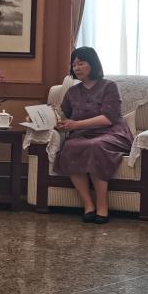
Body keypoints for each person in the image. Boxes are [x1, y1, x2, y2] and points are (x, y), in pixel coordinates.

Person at [54, 47, 134, 224]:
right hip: (82, 134)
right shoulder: (72, 92)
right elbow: (63, 115)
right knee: (70, 147)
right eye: (74, 64)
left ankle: (102, 205)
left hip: (112, 132)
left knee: (95, 146)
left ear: (93, 64)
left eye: (81, 63)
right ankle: (88, 205)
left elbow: (108, 118)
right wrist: (49, 119)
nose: (76, 68)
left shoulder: (109, 86)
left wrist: (75, 125)